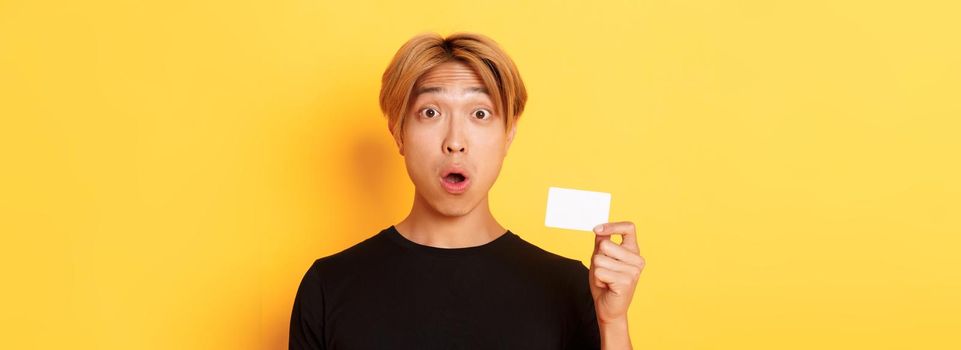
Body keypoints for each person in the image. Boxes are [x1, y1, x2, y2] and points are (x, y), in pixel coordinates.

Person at [289, 32, 646, 349]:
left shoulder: (570, 286)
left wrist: (612, 323)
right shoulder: (328, 286)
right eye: (430, 112)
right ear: (398, 133)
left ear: (508, 135)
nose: (455, 141)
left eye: (479, 114)